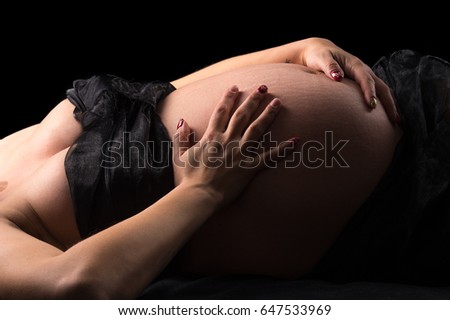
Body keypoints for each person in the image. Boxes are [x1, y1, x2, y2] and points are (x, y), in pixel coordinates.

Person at [0, 38, 447, 299]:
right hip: (390, 207)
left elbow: (159, 94)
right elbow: (75, 287)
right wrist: (202, 191)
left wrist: (292, 51)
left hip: (404, 98)